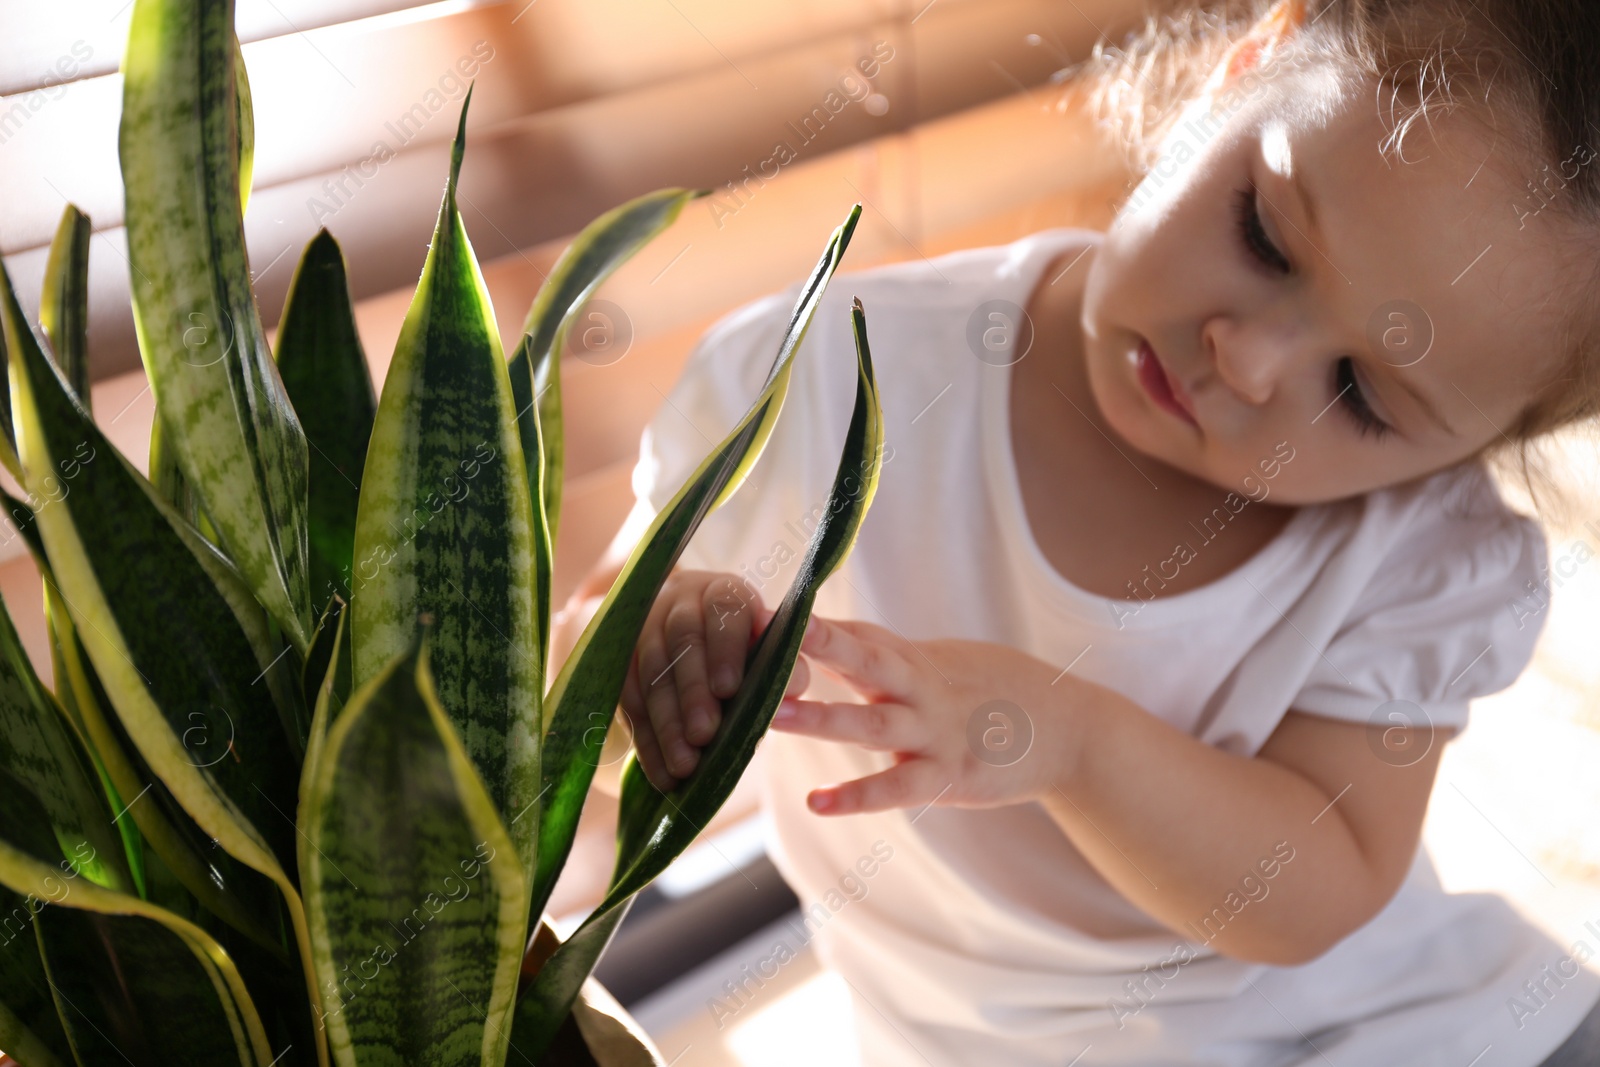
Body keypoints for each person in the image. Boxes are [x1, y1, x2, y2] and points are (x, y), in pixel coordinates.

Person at [566, 0, 1600, 1062]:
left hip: (1412, 1030)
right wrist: (658, 650)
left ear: (1462, 449)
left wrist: (1071, 741)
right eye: (1265, 236)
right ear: (1246, 62)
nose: (1243, 361)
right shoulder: (824, 381)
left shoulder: (1420, 553)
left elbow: (1314, 889)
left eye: (1362, 395)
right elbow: (573, 694)